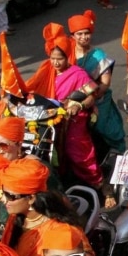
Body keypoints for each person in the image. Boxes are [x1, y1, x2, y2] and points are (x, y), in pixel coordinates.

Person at [45, 26, 102, 186]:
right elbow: (32, 90)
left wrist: (79, 105)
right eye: (52, 58)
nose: (55, 62)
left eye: (60, 59)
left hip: (72, 118)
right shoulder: (45, 71)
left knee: (77, 151)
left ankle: (98, 182)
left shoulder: (78, 74)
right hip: (48, 118)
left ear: (68, 56)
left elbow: (91, 95)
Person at [72, 14, 126, 156]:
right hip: (70, 99)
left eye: (87, 33)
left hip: (98, 98)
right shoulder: (68, 54)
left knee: (101, 127)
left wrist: (91, 98)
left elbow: (105, 83)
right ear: (72, 36)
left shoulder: (98, 55)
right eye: (79, 34)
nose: (84, 37)